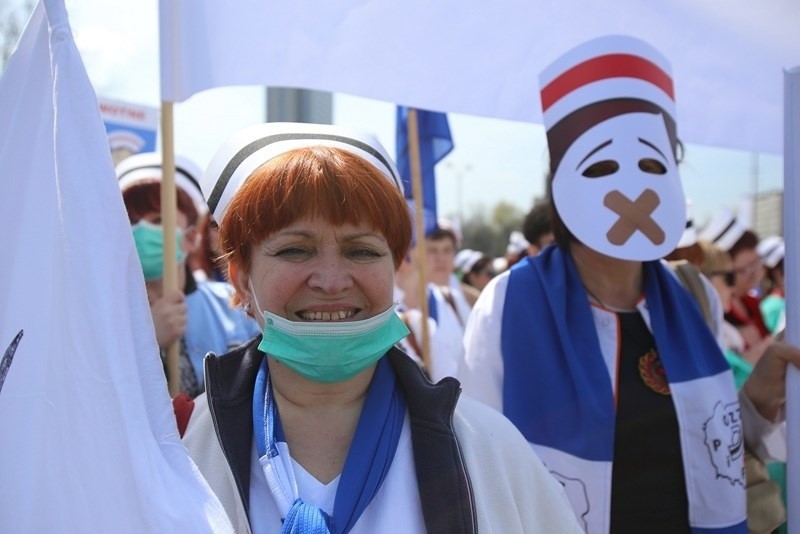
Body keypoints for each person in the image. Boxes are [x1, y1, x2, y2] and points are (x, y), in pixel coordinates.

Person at [459, 35, 799, 533]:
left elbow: (707, 449)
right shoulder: (510, 304)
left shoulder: (692, 294)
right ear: (562, 181)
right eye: (599, 167)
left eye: (653, 164)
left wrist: (756, 402)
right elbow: (476, 461)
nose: (631, 189)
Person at [179, 122, 581, 533]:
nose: (332, 281)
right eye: (295, 250)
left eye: (362, 251)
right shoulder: (177, 451)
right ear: (242, 277)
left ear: (395, 269)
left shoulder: (491, 452)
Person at [117, 152, 261, 398]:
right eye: (131, 220)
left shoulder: (235, 304)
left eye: (159, 219)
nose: (141, 231)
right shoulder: (104, 315)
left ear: (193, 236)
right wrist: (143, 341)